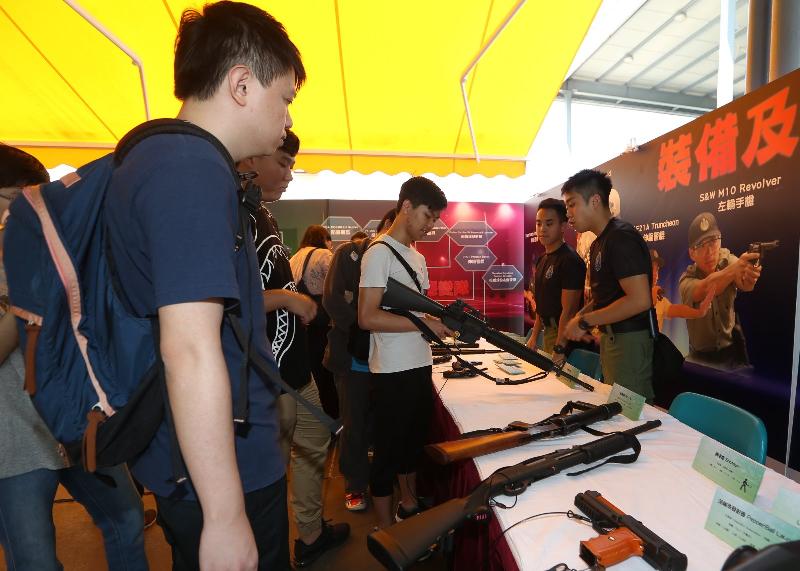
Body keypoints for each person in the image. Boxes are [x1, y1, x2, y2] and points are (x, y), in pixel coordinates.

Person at [104, 3, 306, 569]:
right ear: (242, 84)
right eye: (286, 99)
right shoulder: (186, 170)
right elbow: (190, 347)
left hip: (205, 459)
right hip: (220, 474)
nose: (287, 120)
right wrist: (224, 514)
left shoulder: (169, 159)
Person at [0, 145, 148, 571]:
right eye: (15, 200)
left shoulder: (50, 249)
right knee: (35, 560)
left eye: (36, 203)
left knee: (127, 518)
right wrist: (33, 297)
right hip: (16, 441)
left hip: (75, 421)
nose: (29, 215)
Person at [238, 131, 350, 568]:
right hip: (265, 377)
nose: (288, 175)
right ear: (253, 156)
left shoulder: (261, 215)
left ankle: (310, 533)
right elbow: (223, 302)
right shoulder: (233, 215)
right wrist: (288, 298)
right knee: (267, 476)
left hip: (294, 369)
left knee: (314, 443)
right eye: (283, 163)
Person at [358, 176, 451, 530]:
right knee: (387, 454)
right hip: (391, 372)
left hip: (418, 365)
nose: (431, 226)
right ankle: (385, 533)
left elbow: (416, 312)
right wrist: (423, 325)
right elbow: (367, 317)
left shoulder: (415, 255)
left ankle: (408, 505)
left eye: (435, 220)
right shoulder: (378, 253)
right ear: (407, 206)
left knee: (412, 447)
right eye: (428, 216)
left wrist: (436, 320)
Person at [322, 208, 396, 512]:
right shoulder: (348, 255)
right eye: (393, 232)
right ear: (382, 229)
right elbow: (332, 299)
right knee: (353, 424)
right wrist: (363, 326)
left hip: (387, 358)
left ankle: (379, 479)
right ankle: (354, 485)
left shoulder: (400, 265)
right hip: (352, 357)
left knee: (380, 422)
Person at [562, 170, 655, 401]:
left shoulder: (621, 237)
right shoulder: (599, 243)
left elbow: (640, 300)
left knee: (630, 414)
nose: (568, 215)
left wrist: (585, 321)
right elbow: (607, 296)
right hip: (612, 340)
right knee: (615, 408)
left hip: (629, 341)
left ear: (595, 201)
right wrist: (581, 316)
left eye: (572, 205)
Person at [678, 212, 761, 369]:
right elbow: (706, 288)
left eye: (712, 242)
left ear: (720, 240)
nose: (709, 252)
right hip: (700, 358)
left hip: (731, 353)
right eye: (701, 246)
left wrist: (750, 276)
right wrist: (736, 269)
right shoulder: (685, 280)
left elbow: (745, 283)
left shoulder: (728, 260)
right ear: (691, 253)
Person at [525, 198, 585, 365]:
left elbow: (569, 311)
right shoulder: (542, 260)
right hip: (548, 332)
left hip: (565, 338)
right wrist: (534, 337)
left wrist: (559, 349)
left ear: (563, 226)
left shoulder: (570, 261)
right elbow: (542, 306)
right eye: (539, 223)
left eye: (549, 223)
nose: (542, 229)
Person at [289, 225, 338, 419]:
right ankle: (331, 420)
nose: (330, 245)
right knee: (326, 375)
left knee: (311, 375)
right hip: (321, 323)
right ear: (323, 239)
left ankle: (315, 418)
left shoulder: (295, 257)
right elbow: (338, 284)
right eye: (328, 240)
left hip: (299, 323)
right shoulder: (324, 255)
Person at [650, 248, 713, 332]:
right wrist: (651, 301)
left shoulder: (659, 299)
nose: (655, 274)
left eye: (657, 270)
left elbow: (678, 310)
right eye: (651, 268)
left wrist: (699, 312)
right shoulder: (631, 295)